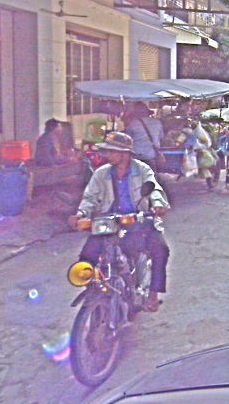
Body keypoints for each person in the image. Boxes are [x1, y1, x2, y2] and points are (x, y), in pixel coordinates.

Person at [68, 131, 170, 312]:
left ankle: (153, 295)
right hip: (109, 223)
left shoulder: (142, 170)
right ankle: (94, 291)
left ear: (125, 153)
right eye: (107, 151)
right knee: (88, 254)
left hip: (139, 220)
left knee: (160, 250)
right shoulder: (101, 173)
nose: (107, 155)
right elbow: (90, 198)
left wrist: (158, 204)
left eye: (112, 151)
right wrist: (81, 214)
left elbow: (154, 189)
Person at [125, 102, 165, 168]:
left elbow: (127, 140)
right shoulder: (157, 122)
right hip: (151, 155)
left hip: (136, 155)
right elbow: (161, 137)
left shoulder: (133, 123)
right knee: (150, 173)